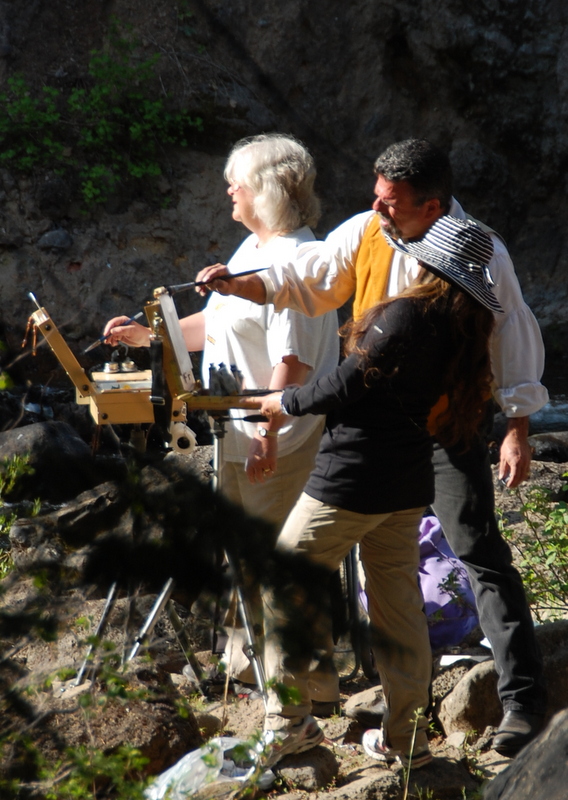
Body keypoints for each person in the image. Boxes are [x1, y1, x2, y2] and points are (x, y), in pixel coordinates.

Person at [194, 139, 549, 757]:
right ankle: (405, 724)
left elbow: (508, 335)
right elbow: (311, 280)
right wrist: (242, 285)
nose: (378, 211)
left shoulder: (475, 252)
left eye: (392, 204)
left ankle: (522, 703)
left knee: (477, 555)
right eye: (376, 198)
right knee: (394, 582)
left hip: (441, 428)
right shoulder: (367, 230)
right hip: (389, 436)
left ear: (432, 205)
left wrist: (515, 424)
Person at [103, 134, 340, 708]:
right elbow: (216, 322)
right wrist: (148, 335)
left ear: (266, 191)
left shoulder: (297, 260)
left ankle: (309, 689)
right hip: (236, 428)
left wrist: (267, 433)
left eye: (237, 181)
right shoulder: (250, 249)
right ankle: (258, 677)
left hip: (277, 436)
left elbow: (294, 361)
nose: (229, 189)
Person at [255, 215, 499, 768]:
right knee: (397, 606)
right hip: (408, 482)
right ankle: (406, 739)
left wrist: (284, 403)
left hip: (352, 480)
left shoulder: (405, 315)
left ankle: (288, 722)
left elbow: (345, 384)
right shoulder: (464, 328)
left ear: (424, 262)